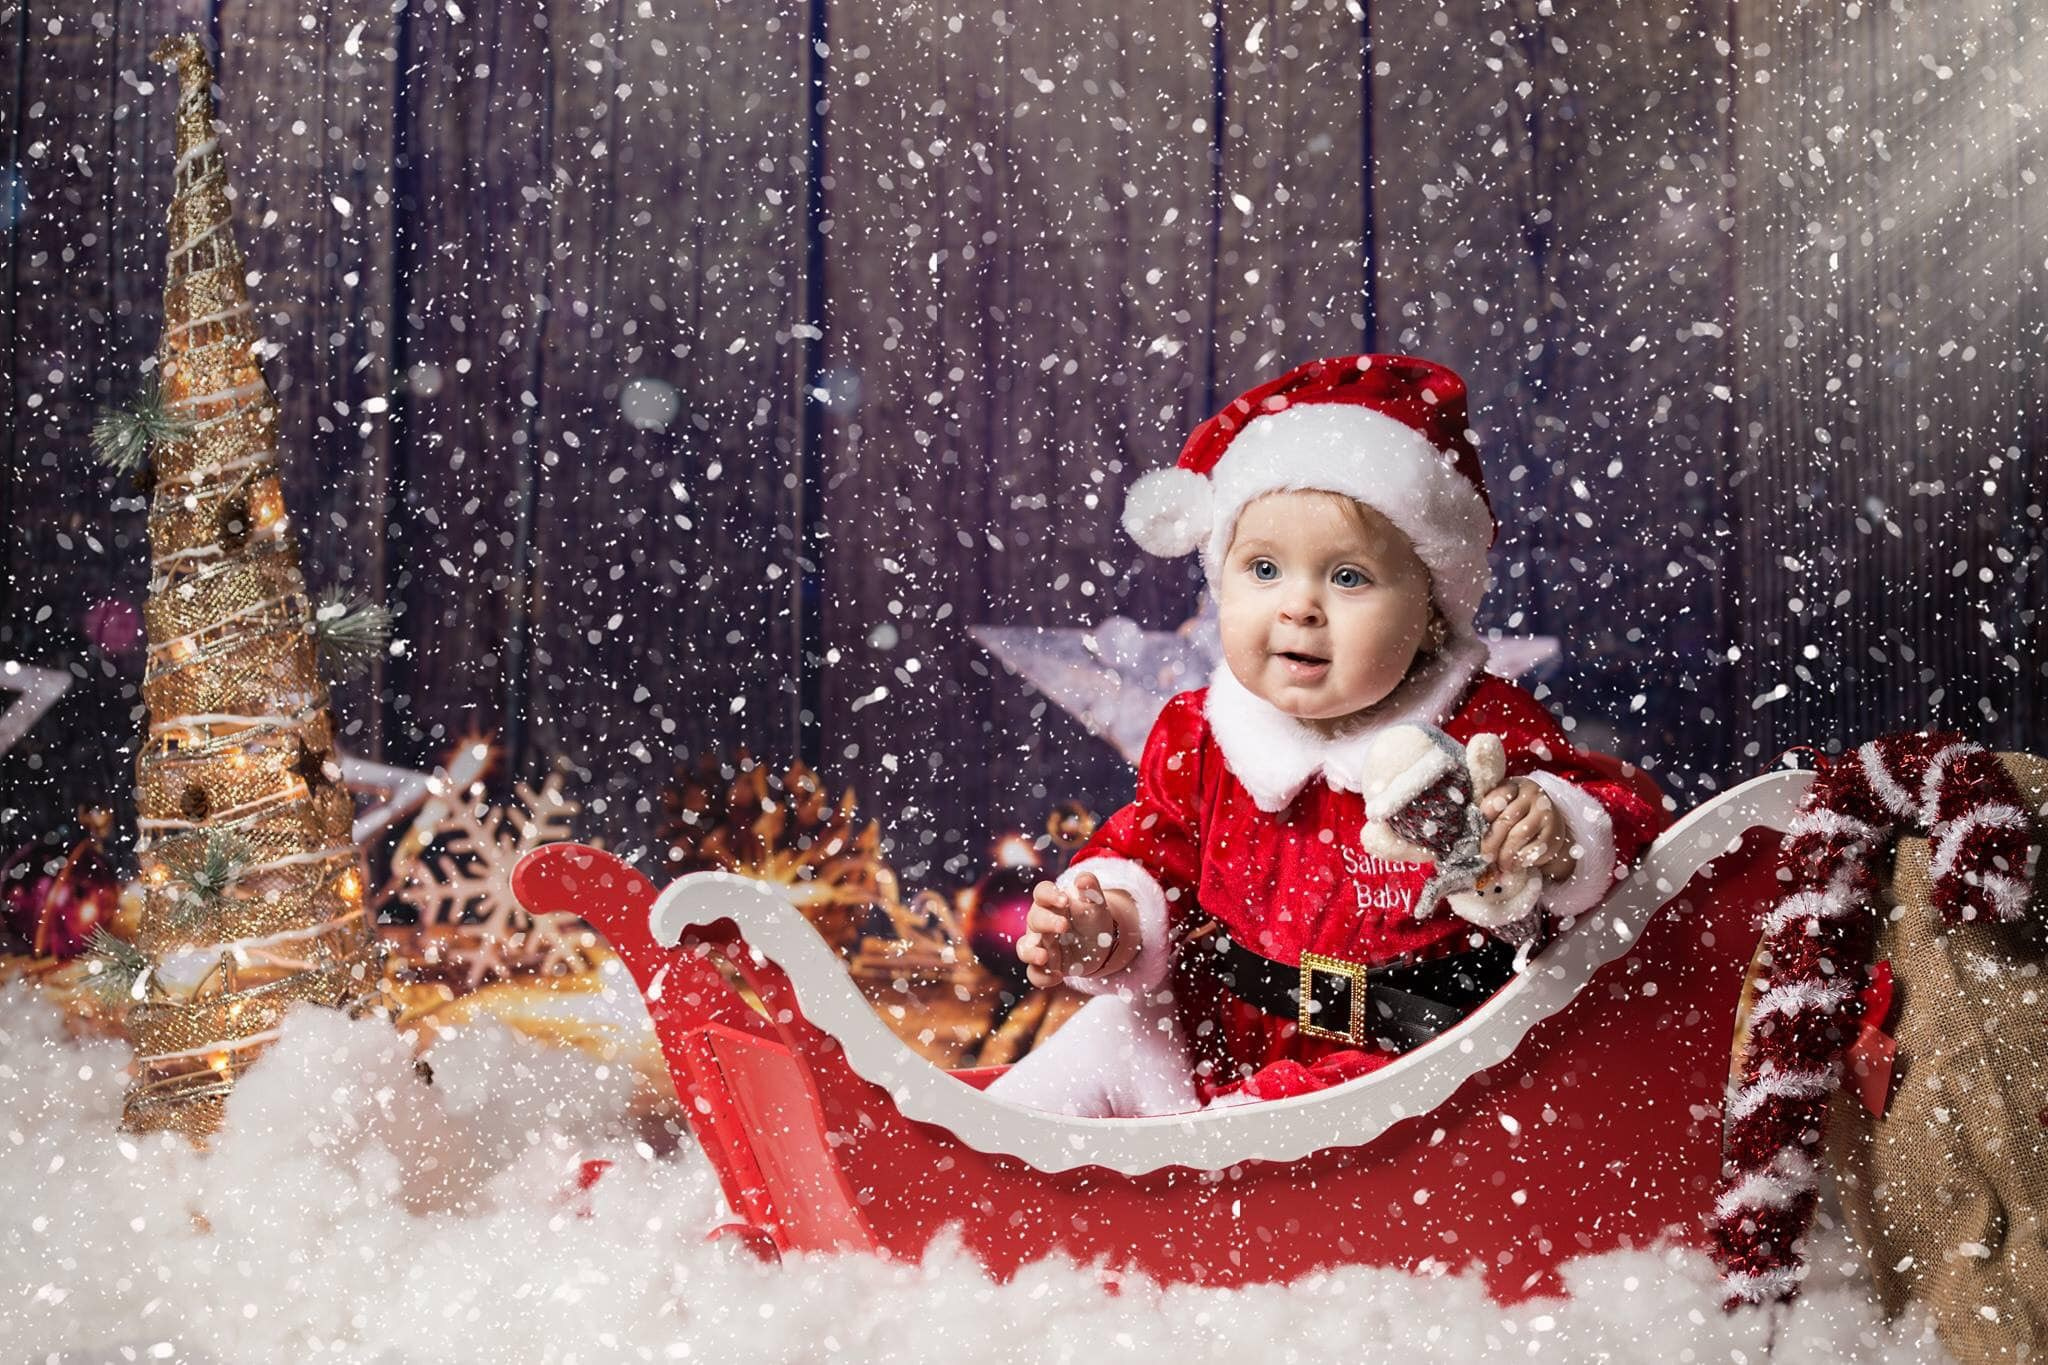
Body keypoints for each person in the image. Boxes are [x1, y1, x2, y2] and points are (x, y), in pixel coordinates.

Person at [985, 354, 1672, 1118]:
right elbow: (1155, 854)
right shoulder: (1204, 735)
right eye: (1265, 568)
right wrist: (1106, 924)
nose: (1299, 606)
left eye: (1348, 577)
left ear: (1432, 611)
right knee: (1115, 1029)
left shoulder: (1479, 724)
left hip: (1408, 1073)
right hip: (1225, 1029)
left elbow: (1627, 820)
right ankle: (987, 1161)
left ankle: (1191, 1195)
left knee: (1263, 1137)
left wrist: (1552, 828)